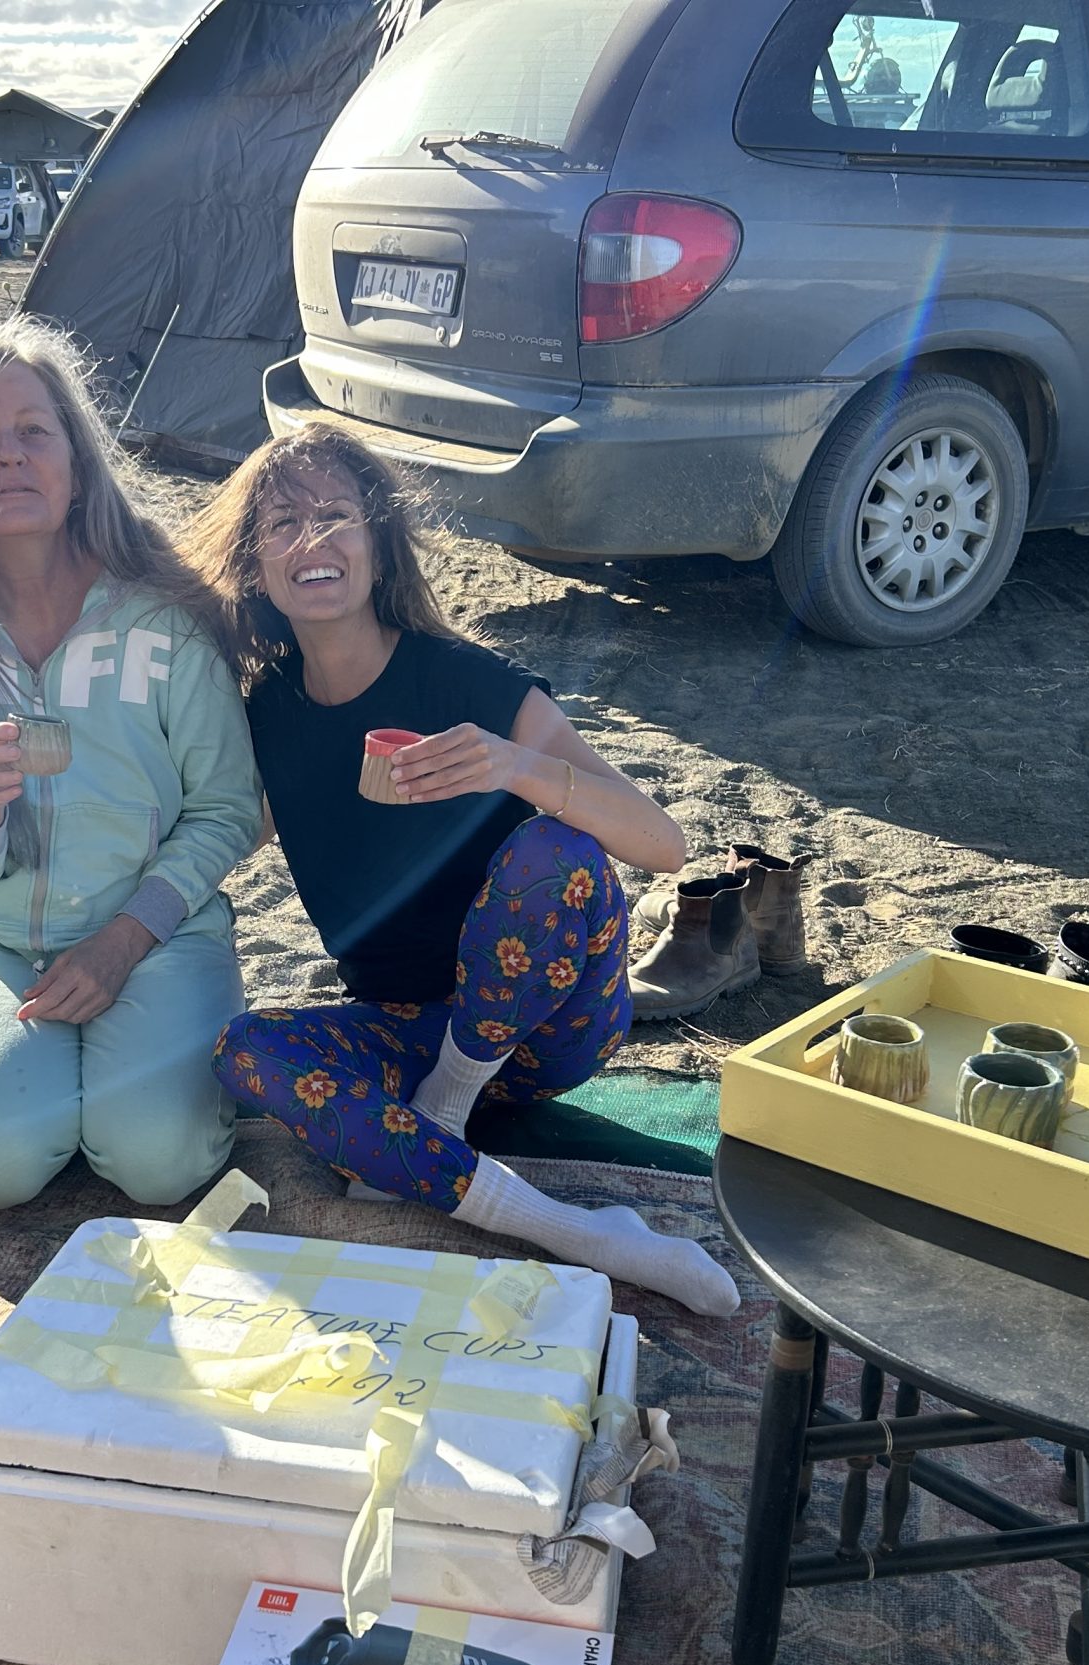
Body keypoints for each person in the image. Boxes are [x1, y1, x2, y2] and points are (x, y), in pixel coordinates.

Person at [187, 424, 737, 1316]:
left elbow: (663, 845)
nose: (312, 540)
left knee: (553, 853)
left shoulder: (464, 680)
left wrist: (515, 767)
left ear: (378, 543)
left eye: (336, 515)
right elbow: (213, 836)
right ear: (255, 565)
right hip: (404, 1030)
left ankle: (443, 1111)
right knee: (244, 1050)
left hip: (544, 1029)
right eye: (282, 523)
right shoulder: (265, 713)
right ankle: (576, 1231)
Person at [0, 318, 264, 1209]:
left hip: (155, 933)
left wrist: (125, 939)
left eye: (33, 430)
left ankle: (105, 1077)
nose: (8, 455)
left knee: (160, 1162)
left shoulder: (164, 610)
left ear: (77, 455)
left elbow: (226, 809)